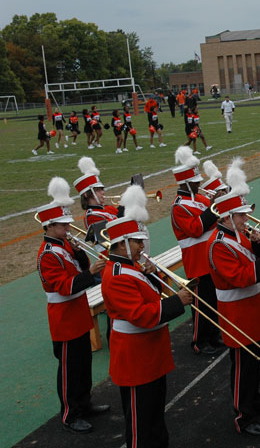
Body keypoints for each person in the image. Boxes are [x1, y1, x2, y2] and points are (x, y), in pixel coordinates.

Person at [101, 186, 192, 447]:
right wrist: (179, 302)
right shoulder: (117, 275)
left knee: (154, 418)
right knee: (141, 426)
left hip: (150, 353)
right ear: (121, 244)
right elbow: (140, 314)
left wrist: (155, 274)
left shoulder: (133, 267)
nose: (142, 245)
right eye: (137, 241)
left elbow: (153, 296)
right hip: (135, 358)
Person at [207, 159, 260, 436]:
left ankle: (254, 401)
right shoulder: (217, 244)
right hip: (236, 310)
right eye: (240, 215)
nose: (245, 218)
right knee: (243, 364)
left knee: (255, 359)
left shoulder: (238, 235)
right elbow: (240, 277)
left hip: (251, 306)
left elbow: (254, 261)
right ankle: (243, 416)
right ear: (227, 218)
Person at [35, 177, 108, 434]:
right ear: (50, 226)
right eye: (63, 226)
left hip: (78, 312)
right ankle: (69, 413)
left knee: (83, 363)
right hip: (64, 317)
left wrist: (80, 254)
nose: (68, 229)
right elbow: (66, 286)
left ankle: (85, 403)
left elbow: (81, 269)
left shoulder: (65, 244)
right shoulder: (47, 254)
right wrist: (91, 272)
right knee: (68, 369)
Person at [171, 146, 223, 356]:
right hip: (196, 261)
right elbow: (196, 228)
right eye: (195, 181)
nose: (199, 183)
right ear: (186, 182)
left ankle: (213, 335)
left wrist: (218, 203)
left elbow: (213, 220)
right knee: (202, 304)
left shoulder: (199, 199)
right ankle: (199, 341)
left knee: (213, 300)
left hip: (210, 257)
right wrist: (214, 207)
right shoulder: (179, 206)